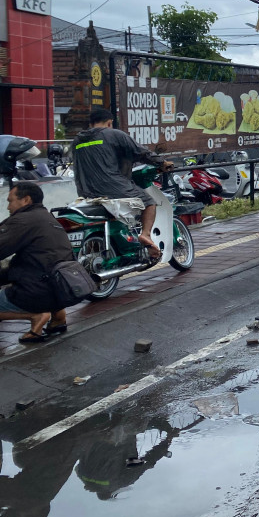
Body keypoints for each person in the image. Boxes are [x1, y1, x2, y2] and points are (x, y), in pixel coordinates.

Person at [73, 108, 172, 259]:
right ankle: (145, 234)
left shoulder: (77, 141)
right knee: (148, 203)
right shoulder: (114, 134)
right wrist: (162, 163)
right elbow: (141, 152)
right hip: (112, 187)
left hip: (86, 192)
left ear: (90, 123)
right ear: (109, 122)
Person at [0, 182, 74, 343]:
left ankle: (36, 316)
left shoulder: (22, 220)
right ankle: (58, 317)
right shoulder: (46, 217)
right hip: (61, 288)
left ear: (26, 200)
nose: (8, 207)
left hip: (37, 290)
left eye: (10, 201)